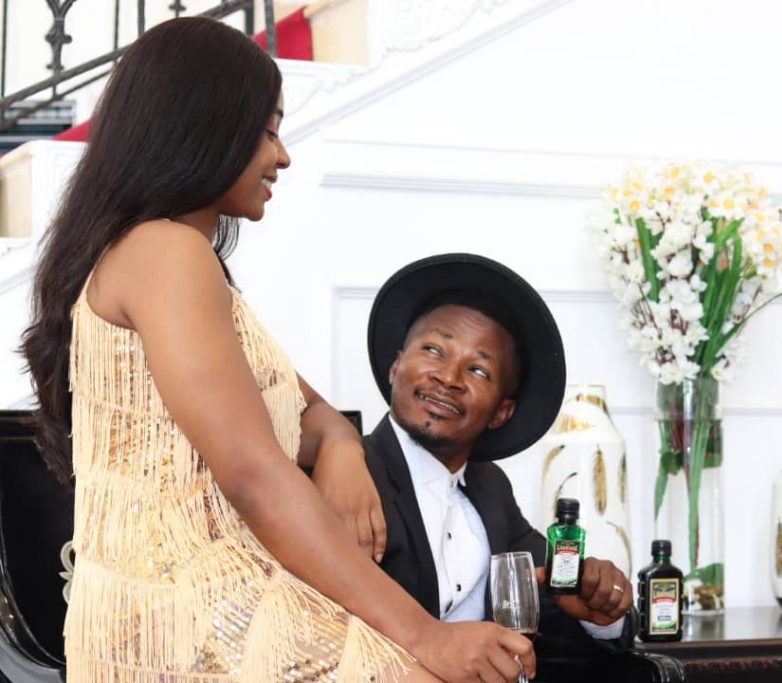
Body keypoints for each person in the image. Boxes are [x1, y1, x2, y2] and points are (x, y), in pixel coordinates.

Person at [20, 18, 534, 683]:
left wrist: (342, 446)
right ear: (206, 129)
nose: (282, 156)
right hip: (183, 615)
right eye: (267, 132)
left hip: (218, 598)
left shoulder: (179, 260)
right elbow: (254, 475)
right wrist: (426, 635)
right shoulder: (165, 251)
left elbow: (309, 413)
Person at [313, 254, 636, 677]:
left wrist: (602, 613)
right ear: (396, 366)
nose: (448, 378)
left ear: (501, 412)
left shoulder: (491, 489)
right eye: (433, 350)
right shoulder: (346, 474)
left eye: (479, 370)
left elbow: (554, 608)